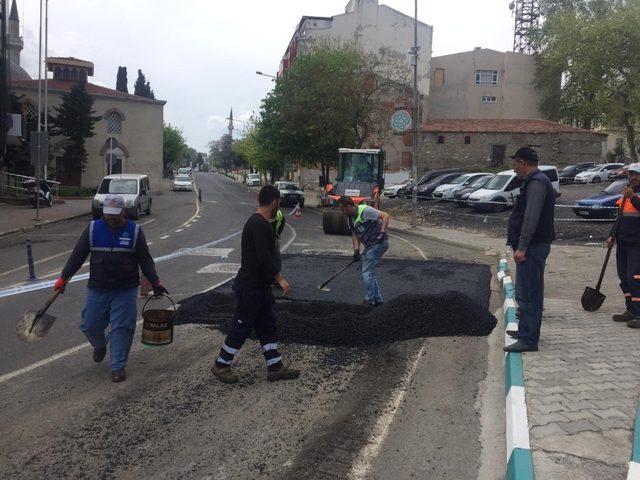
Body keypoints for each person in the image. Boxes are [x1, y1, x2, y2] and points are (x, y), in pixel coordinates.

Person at [54, 194, 167, 382]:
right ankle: (100, 343)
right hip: (98, 287)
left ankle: (117, 366)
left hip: (125, 288)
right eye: (108, 214)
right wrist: (63, 278)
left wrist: (156, 282)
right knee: (89, 324)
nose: (111, 218)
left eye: (115, 214)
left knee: (122, 327)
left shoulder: (135, 231)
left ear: (123, 211)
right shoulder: (92, 229)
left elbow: (145, 260)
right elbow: (77, 256)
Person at [211, 185, 299, 384]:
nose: (279, 208)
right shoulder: (258, 224)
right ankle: (221, 365)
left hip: (261, 287)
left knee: (267, 325)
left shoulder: (262, 223)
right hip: (251, 286)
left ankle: (275, 366)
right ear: (275, 202)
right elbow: (263, 257)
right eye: (279, 204)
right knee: (241, 327)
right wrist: (280, 278)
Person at [503, 147, 555, 353]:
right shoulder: (537, 181)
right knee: (528, 290)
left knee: (528, 292)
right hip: (533, 246)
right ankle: (526, 330)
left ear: (523, 163)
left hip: (532, 247)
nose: (514, 168)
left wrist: (522, 247)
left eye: (516, 163)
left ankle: (529, 339)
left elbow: (531, 218)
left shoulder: (536, 183)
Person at [338, 196, 390, 306]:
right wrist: (356, 250)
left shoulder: (365, 210)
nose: (342, 212)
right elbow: (354, 234)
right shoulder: (350, 219)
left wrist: (382, 232)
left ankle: (369, 300)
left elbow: (385, 216)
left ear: (348, 206)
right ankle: (378, 300)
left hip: (379, 243)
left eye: (342, 209)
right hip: (370, 245)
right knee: (369, 273)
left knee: (366, 273)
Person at [608, 164, 640, 328]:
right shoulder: (626, 194)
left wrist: (633, 197)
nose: (633, 177)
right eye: (631, 174)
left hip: (637, 243)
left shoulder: (631, 194)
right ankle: (631, 310)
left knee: (635, 278)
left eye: (637, 175)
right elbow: (620, 217)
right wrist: (612, 235)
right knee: (624, 278)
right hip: (623, 242)